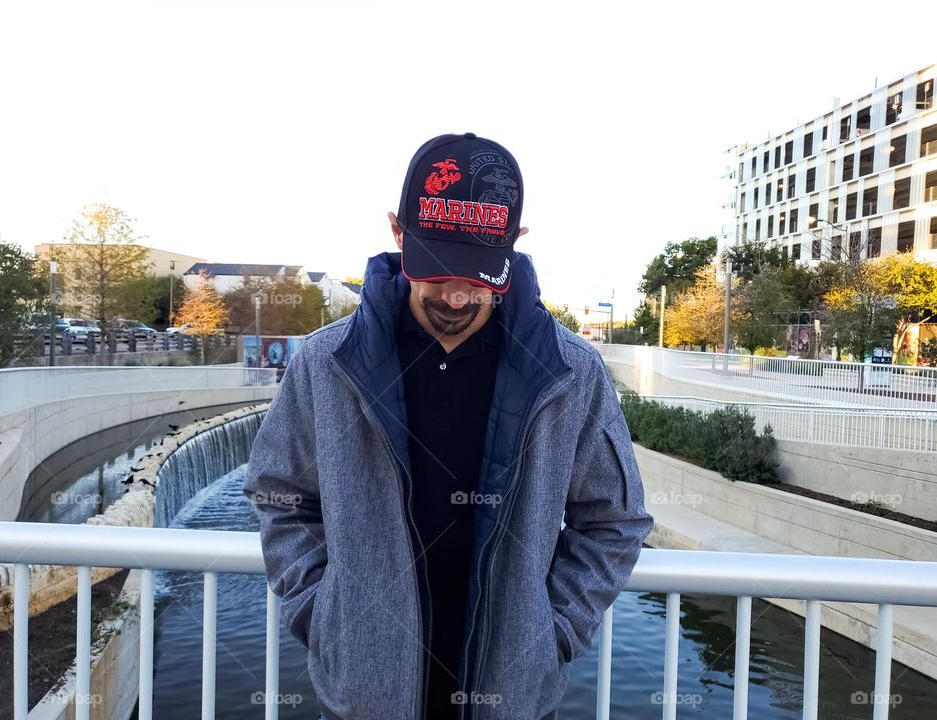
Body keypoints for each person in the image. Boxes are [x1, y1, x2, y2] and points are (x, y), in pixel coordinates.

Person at [243, 132, 654, 720]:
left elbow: (614, 520)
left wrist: (553, 632)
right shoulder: (324, 365)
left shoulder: (570, 374)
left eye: (481, 273)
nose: (458, 296)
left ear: (515, 244)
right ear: (396, 232)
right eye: (437, 268)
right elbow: (279, 497)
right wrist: (323, 613)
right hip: (362, 700)